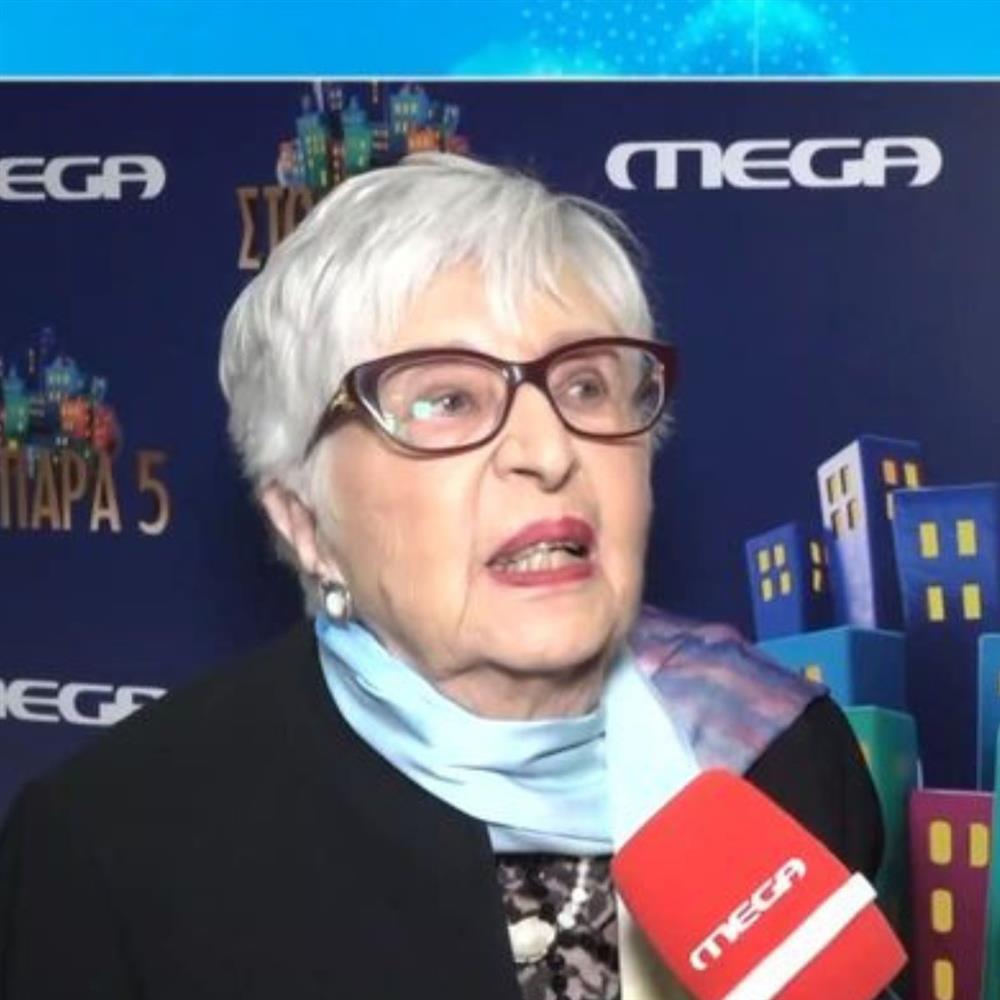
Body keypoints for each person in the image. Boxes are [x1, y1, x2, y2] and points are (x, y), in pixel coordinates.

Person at [0, 154, 882, 1000]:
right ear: (305, 522)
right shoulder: (115, 850)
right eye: (447, 400)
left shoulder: (784, 752)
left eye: (583, 386)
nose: (547, 452)